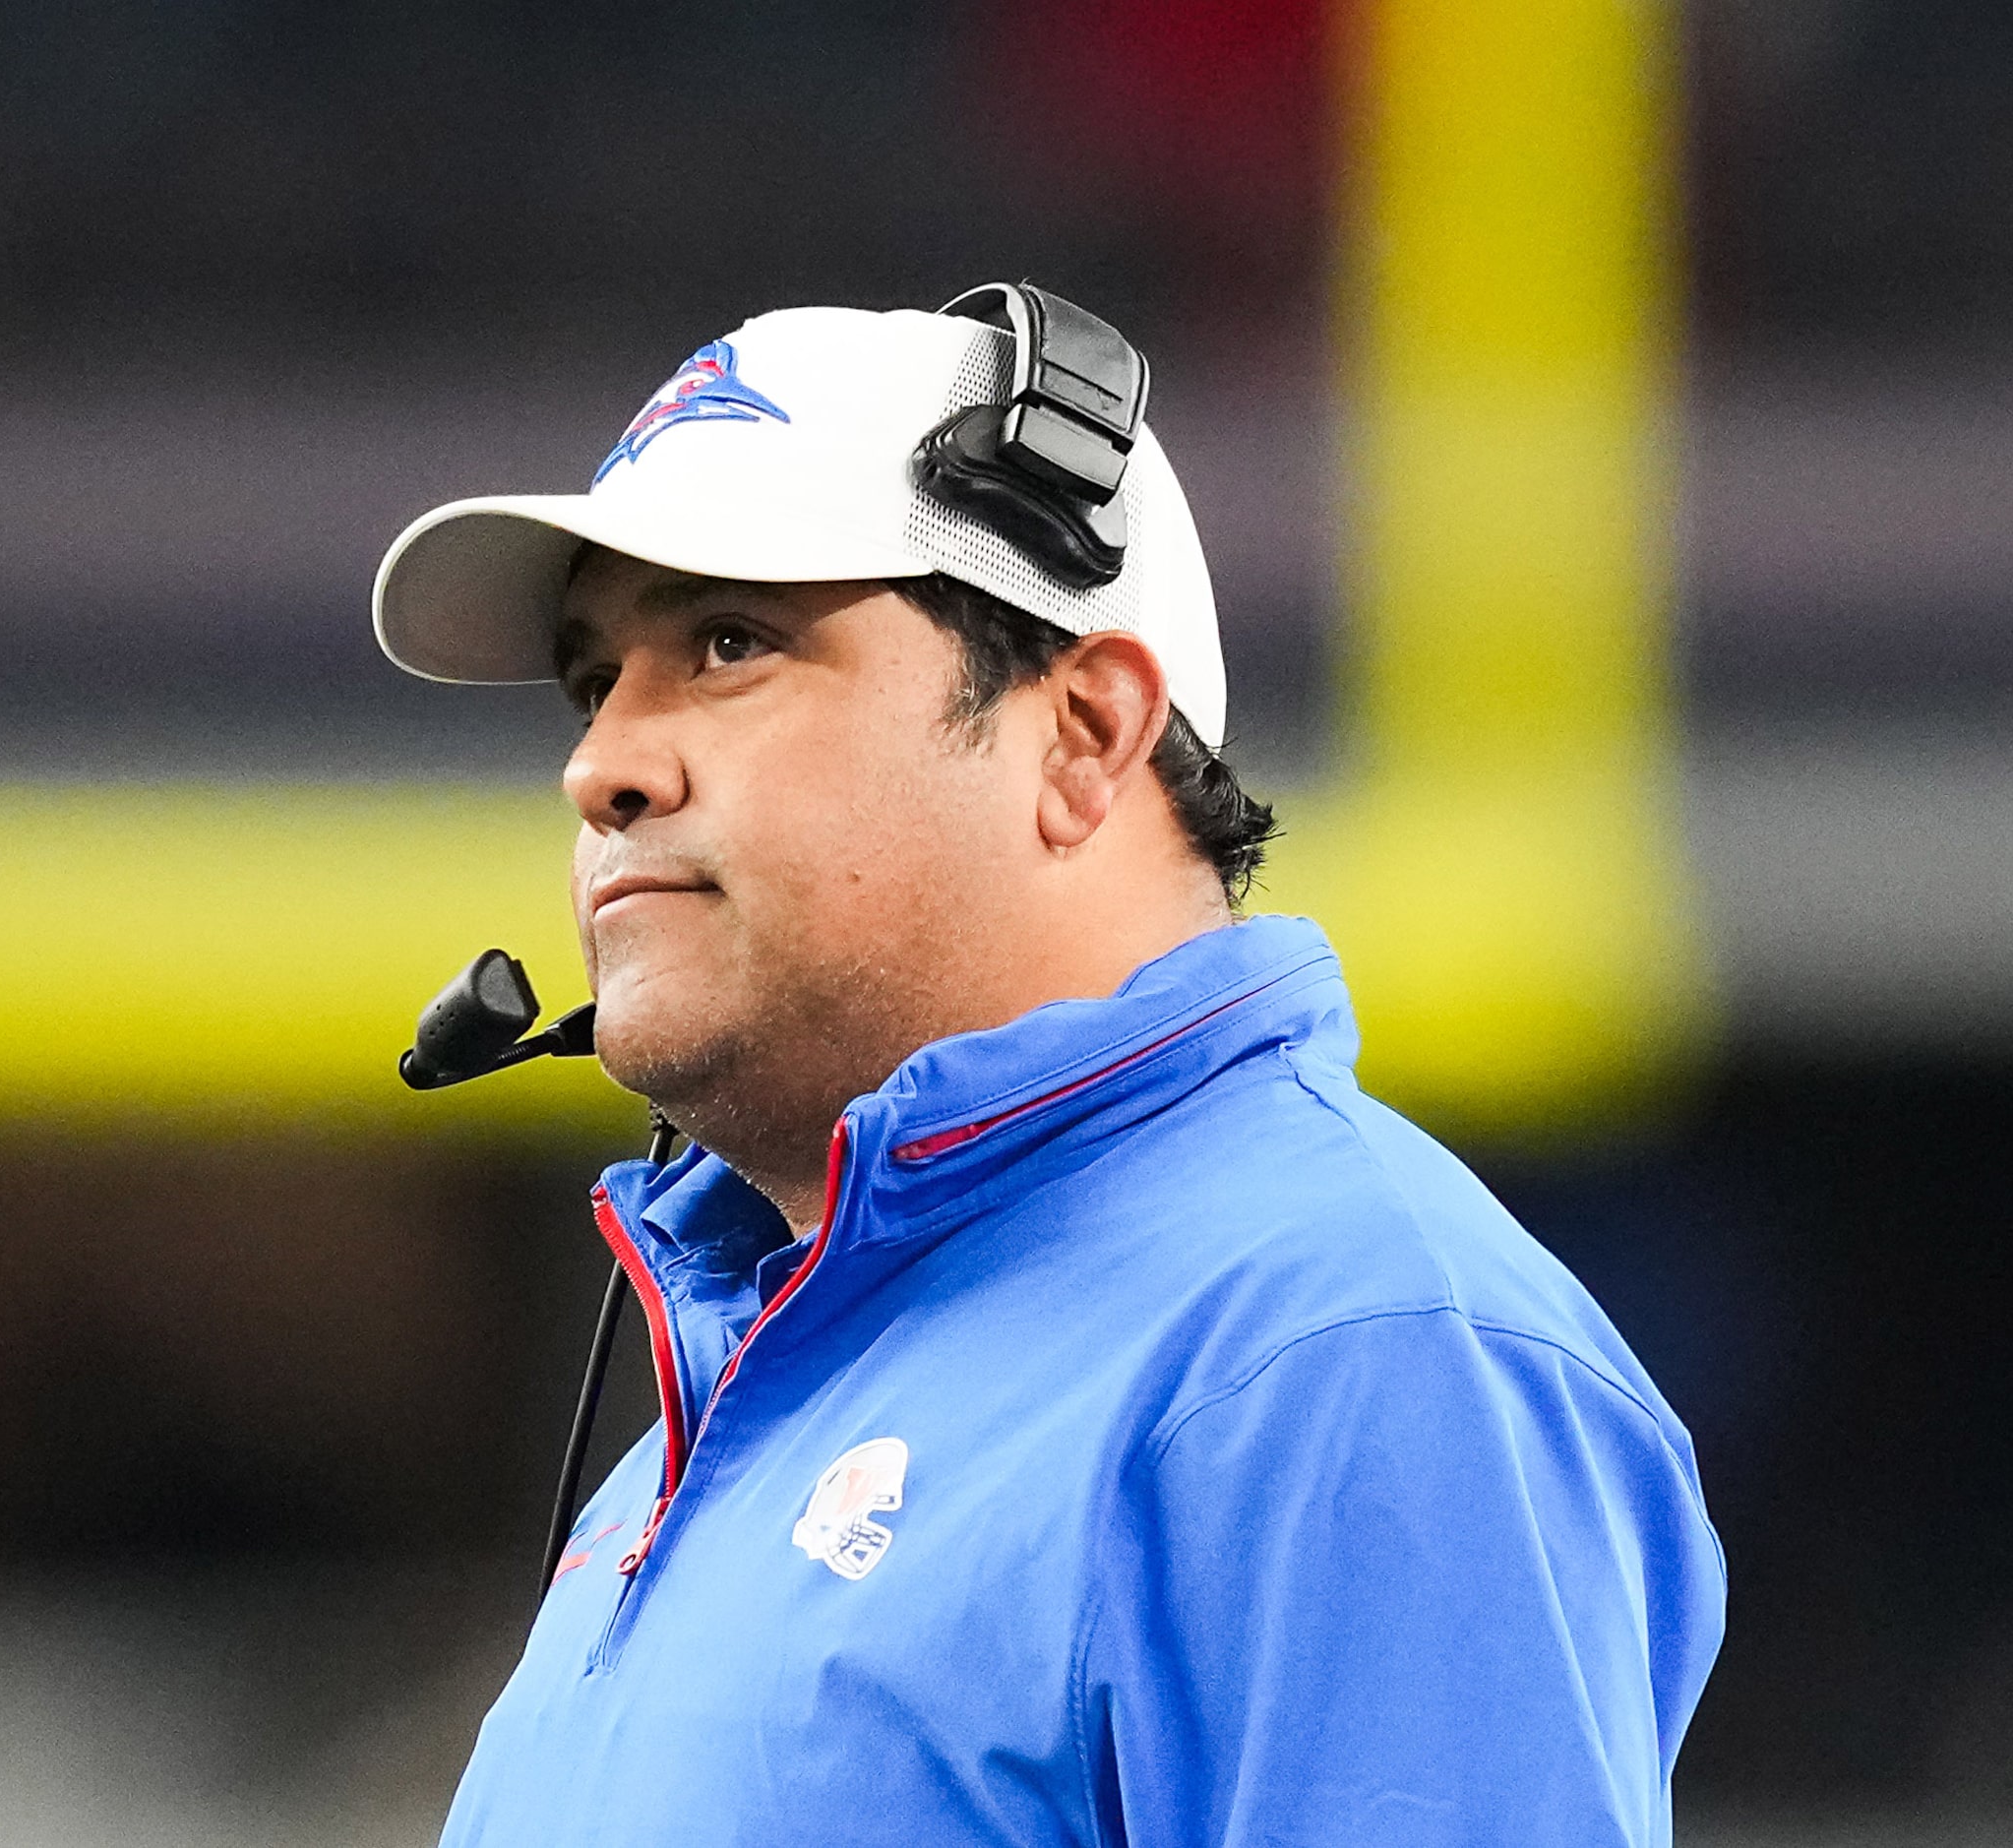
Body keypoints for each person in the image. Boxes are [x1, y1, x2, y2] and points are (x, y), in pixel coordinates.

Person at [369, 290, 1723, 1846]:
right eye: (593, 679)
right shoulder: (720, 1418)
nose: (599, 759)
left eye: (728, 643)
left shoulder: (1341, 1352)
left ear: (1082, 735)